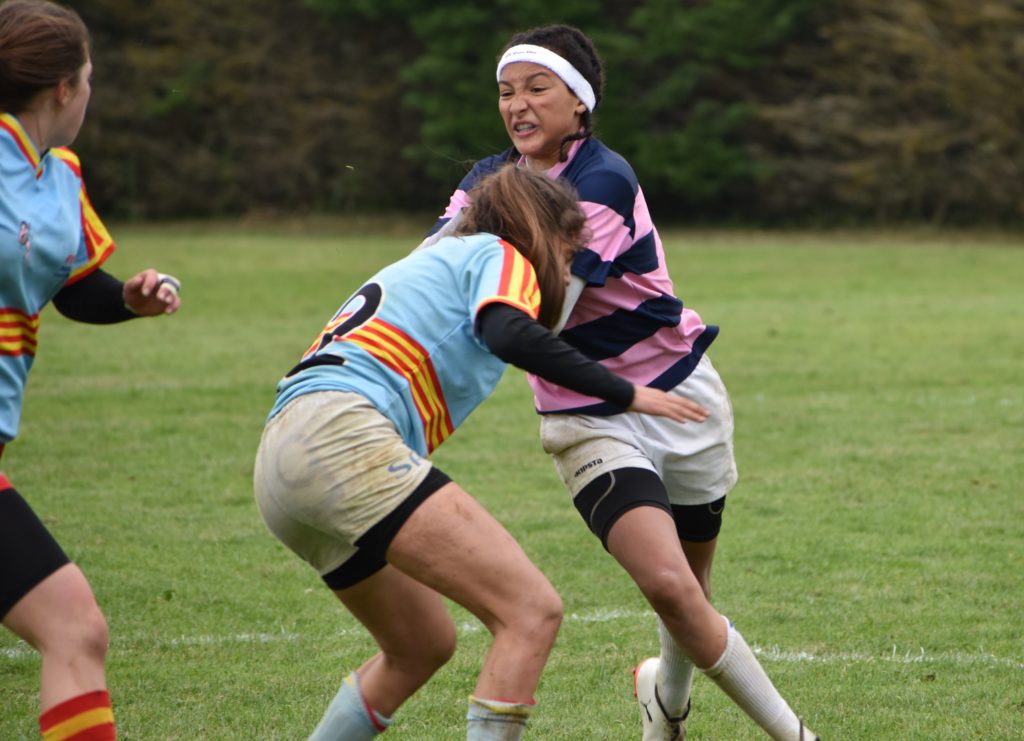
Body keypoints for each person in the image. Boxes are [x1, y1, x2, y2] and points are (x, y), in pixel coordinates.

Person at [425, 24, 820, 741]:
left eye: (537, 88)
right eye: (506, 91)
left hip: (683, 392)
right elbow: (430, 264)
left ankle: (664, 702)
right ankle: (798, 734)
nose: (518, 104)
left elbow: (549, 308)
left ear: (579, 103)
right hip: (586, 412)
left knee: (691, 591)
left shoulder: (604, 179)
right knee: (668, 583)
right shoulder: (484, 179)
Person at [253, 164, 710, 741]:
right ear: (543, 234)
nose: (566, 274)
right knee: (530, 612)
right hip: (342, 437)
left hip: (282, 458)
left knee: (421, 646)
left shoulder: (432, 259)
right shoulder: (500, 253)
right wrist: (625, 391)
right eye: (569, 256)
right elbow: (507, 331)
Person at [0, 1, 182, 738]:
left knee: (76, 630)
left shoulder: (58, 178)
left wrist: (129, 300)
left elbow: (72, 285)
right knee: (75, 627)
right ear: (65, 89)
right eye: (90, 76)